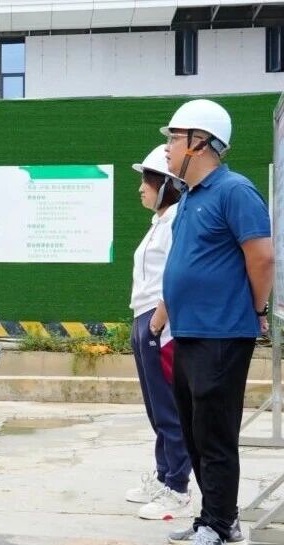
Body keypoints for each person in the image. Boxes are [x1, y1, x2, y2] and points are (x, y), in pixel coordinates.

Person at [161, 99, 273, 545]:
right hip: (189, 332)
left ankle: (221, 524)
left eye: (174, 138)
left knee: (215, 434)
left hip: (222, 334)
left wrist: (256, 310)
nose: (167, 147)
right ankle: (214, 517)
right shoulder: (190, 196)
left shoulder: (235, 191)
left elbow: (262, 257)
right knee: (194, 431)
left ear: (200, 142)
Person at [124, 145, 192, 521]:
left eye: (147, 181)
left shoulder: (177, 222)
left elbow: (178, 273)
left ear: (167, 185)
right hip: (145, 316)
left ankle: (178, 489)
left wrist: (157, 321)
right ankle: (165, 475)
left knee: (168, 408)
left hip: (159, 320)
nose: (140, 188)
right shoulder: (160, 222)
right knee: (155, 407)